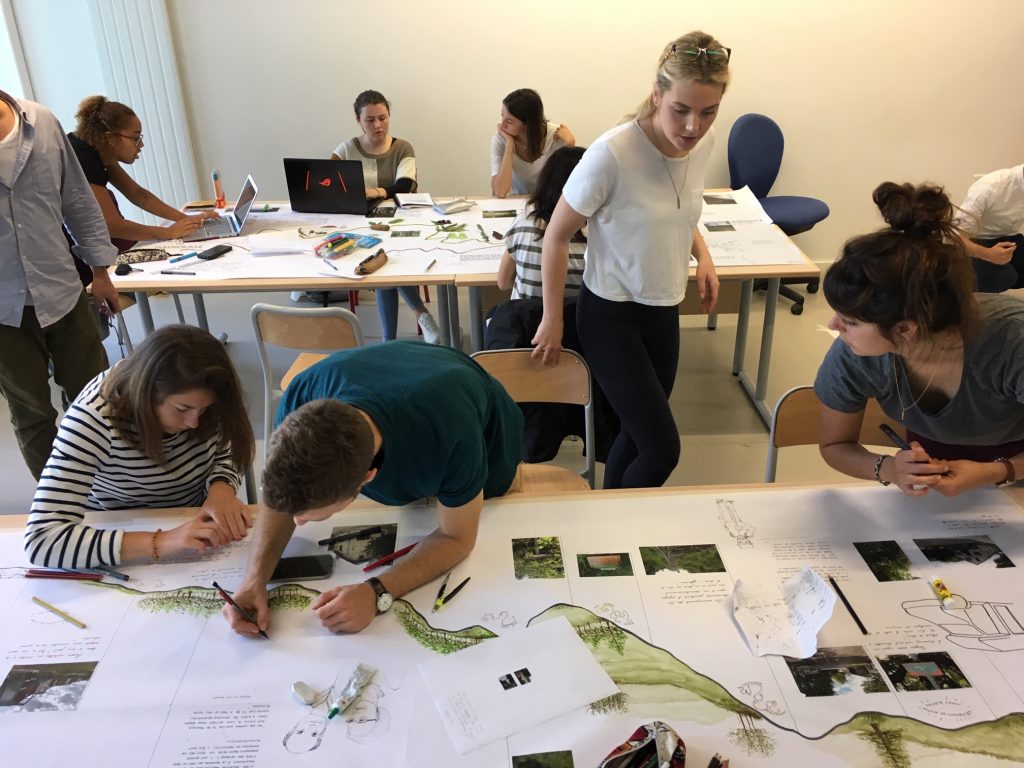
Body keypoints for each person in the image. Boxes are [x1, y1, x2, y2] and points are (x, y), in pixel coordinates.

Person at [531, 31, 727, 490]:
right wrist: (553, 318)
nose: (692, 127)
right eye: (680, 110)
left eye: (707, 112)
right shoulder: (611, 155)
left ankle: (610, 517)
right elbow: (556, 236)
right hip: (611, 317)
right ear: (657, 96)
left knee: (635, 435)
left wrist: (705, 257)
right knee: (662, 450)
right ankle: (625, 520)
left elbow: (681, 204)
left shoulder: (704, 142)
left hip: (664, 308)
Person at [222, 341, 522, 637]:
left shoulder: (451, 431)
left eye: (307, 516)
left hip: (476, 421)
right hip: (411, 393)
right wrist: (254, 578)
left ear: (367, 480)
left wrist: (377, 591)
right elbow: (280, 502)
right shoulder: (301, 399)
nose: (296, 522)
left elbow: (457, 537)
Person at [815, 181, 1024, 497]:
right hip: (935, 485)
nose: (834, 326)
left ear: (904, 330)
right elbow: (834, 444)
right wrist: (889, 469)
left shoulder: (1011, 340)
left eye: (850, 321)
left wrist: (997, 471)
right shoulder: (853, 352)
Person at [24, 325, 255, 568]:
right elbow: (42, 539)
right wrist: (163, 541)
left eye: (205, 410)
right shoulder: (94, 418)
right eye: (182, 409)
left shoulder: (207, 392)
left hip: (193, 517)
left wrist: (221, 487)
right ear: (146, 393)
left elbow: (227, 445)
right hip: (122, 529)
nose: (194, 422)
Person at [0, 88, 121, 481]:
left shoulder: (41, 122)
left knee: (98, 400)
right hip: (3, 313)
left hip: (64, 292)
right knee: (32, 414)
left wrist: (101, 272)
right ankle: (61, 505)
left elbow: (78, 201)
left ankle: (112, 489)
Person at [330, 90, 440, 344]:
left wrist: (377, 191)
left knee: (385, 260)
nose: (378, 125)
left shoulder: (402, 147)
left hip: (398, 223)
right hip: (359, 225)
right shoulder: (347, 149)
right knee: (384, 260)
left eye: (383, 117)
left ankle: (388, 341)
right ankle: (420, 313)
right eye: (370, 120)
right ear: (358, 121)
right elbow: (327, 181)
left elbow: (405, 184)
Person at [69, 95, 216, 248]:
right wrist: (167, 232)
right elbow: (111, 225)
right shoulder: (83, 158)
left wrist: (185, 220)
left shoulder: (98, 148)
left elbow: (138, 194)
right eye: (135, 138)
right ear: (110, 138)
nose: (141, 144)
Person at [496, 145, 587, 299]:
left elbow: (503, 282)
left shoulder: (523, 223)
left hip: (526, 319)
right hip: (575, 320)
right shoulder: (598, 236)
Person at [490, 88, 575, 198]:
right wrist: (509, 144)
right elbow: (500, 192)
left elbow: (570, 183)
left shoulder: (556, 136)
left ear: (528, 124)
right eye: (502, 116)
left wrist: (570, 144)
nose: (502, 125)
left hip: (549, 202)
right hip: (517, 202)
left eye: (509, 121)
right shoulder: (501, 139)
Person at [954, 164, 1024, 293]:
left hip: (1009, 237)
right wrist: (988, 254)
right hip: (975, 242)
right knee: (1005, 277)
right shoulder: (989, 187)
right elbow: (955, 238)